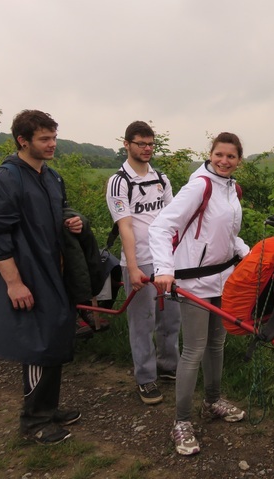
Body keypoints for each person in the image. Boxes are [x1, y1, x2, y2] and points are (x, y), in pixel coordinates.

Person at [150, 132, 250, 456]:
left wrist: (246, 252)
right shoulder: (200, 185)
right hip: (193, 282)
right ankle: (181, 422)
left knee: (217, 344)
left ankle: (212, 402)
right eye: (219, 154)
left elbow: (227, 234)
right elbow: (162, 226)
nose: (224, 161)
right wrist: (163, 268)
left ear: (239, 160)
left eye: (231, 157)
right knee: (193, 349)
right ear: (211, 153)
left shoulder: (232, 188)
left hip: (223, 280)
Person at [0, 110, 84, 444]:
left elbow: (61, 211)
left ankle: (48, 408)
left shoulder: (51, 176)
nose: (52, 144)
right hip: (27, 273)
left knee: (55, 336)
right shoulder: (7, 179)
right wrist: (14, 283)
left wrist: (72, 220)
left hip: (54, 270)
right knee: (37, 345)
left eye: (54, 137)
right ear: (22, 140)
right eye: (44, 138)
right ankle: (33, 422)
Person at [105, 121, 181, 405]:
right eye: (141, 143)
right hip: (138, 261)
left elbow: (173, 219)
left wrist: (176, 258)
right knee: (142, 323)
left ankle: (169, 366)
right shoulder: (119, 181)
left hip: (166, 260)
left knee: (171, 318)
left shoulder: (161, 178)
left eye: (150, 144)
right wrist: (133, 267)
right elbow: (125, 226)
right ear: (127, 144)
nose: (147, 149)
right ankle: (146, 378)